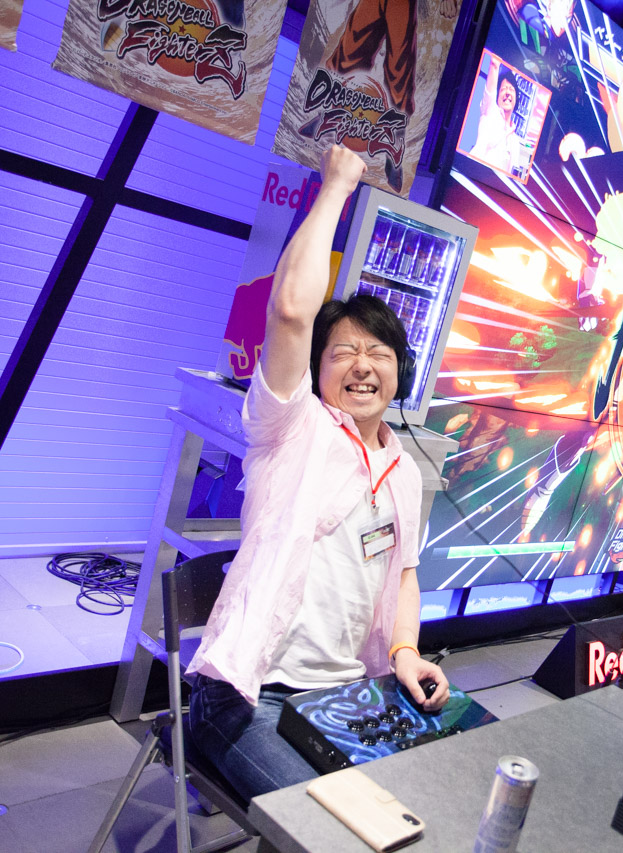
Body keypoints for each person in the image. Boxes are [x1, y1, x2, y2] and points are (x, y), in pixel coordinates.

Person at [185, 145, 449, 801]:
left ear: (400, 370)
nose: (362, 365)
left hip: (345, 694)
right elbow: (290, 312)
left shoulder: (402, 470)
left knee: (427, 798)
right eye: (344, 352)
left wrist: (406, 652)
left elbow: (405, 574)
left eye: (378, 352)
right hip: (249, 695)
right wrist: (337, 186)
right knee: (332, 828)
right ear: (316, 369)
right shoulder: (293, 425)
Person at [468, 59, 525, 175]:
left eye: (511, 89)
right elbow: (494, 64)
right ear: (497, 97)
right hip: (473, 174)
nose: (507, 93)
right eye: (503, 89)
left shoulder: (515, 141)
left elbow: (512, 176)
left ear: (516, 98)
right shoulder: (490, 111)